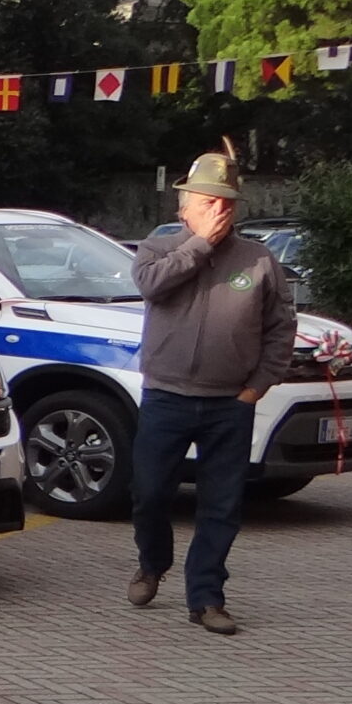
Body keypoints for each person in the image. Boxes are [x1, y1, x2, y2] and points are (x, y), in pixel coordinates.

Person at [126, 151, 296, 634]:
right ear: (185, 208)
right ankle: (152, 562)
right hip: (166, 396)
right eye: (208, 202)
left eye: (226, 203)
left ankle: (206, 597)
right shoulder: (159, 250)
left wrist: (257, 387)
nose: (220, 211)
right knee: (150, 493)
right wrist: (198, 245)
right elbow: (152, 287)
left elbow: (281, 327)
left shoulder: (259, 259)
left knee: (222, 505)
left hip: (229, 403)